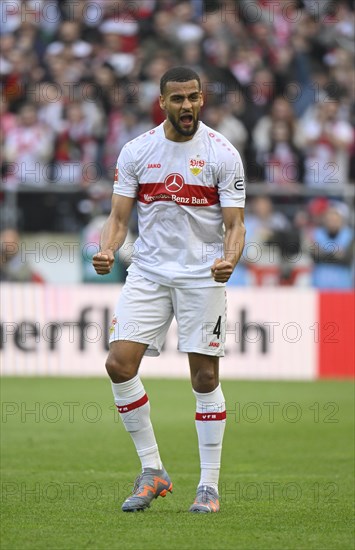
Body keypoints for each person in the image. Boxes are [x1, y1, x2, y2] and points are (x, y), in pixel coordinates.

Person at [92, 67, 246, 513]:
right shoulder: (138, 151)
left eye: (193, 98)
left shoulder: (222, 153)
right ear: (162, 102)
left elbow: (235, 225)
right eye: (177, 99)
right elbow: (119, 219)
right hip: (149, 272)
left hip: (202, 276)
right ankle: (153, 470)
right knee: (119, 365)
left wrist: (230, 258)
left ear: (203, 99)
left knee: (205, 378)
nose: (186, 106)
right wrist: (106, 250)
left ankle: (209, 487)